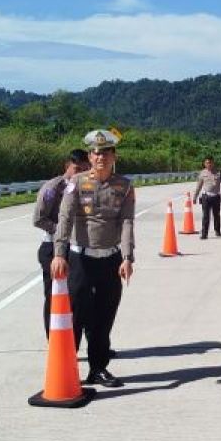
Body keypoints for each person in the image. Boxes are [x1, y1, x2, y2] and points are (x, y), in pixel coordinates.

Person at [51, 129, 135, 388]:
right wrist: (59, 254)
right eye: (96, 153)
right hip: (81, 261)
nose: (101, 157)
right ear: (90, 155)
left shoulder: (124, 185)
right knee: (76, 317)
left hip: (110, 260)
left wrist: (128, 257)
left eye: (106, 153)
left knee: (104, 317)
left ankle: (98, 368)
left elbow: (127, 221)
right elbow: (64, 218)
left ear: (113, 156)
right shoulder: (76, 182)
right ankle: (67, 368)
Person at [33, 148, 91, 337]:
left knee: (80, 297)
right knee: (54, 296)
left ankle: (82, 344)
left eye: (85, 169)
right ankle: (54, 342)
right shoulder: (53, 188)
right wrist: (63, 231)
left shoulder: (87, 186)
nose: (80, 173)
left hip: (76, 249)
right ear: (67, 166)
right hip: (52, 248)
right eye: (77, 168)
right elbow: (39, 219)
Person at [192, 156, 221, 239]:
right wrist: (195, 197)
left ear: (213, 163)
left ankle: (217, 230)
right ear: (205, 164)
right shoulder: (202, 173)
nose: (209, 164)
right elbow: (198, 186)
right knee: (205, 216)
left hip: (216, 196)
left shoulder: (219, 172)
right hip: (206, 197)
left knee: (216, 215)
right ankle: (204, 233)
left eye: (210, 162)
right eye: (207, 163)